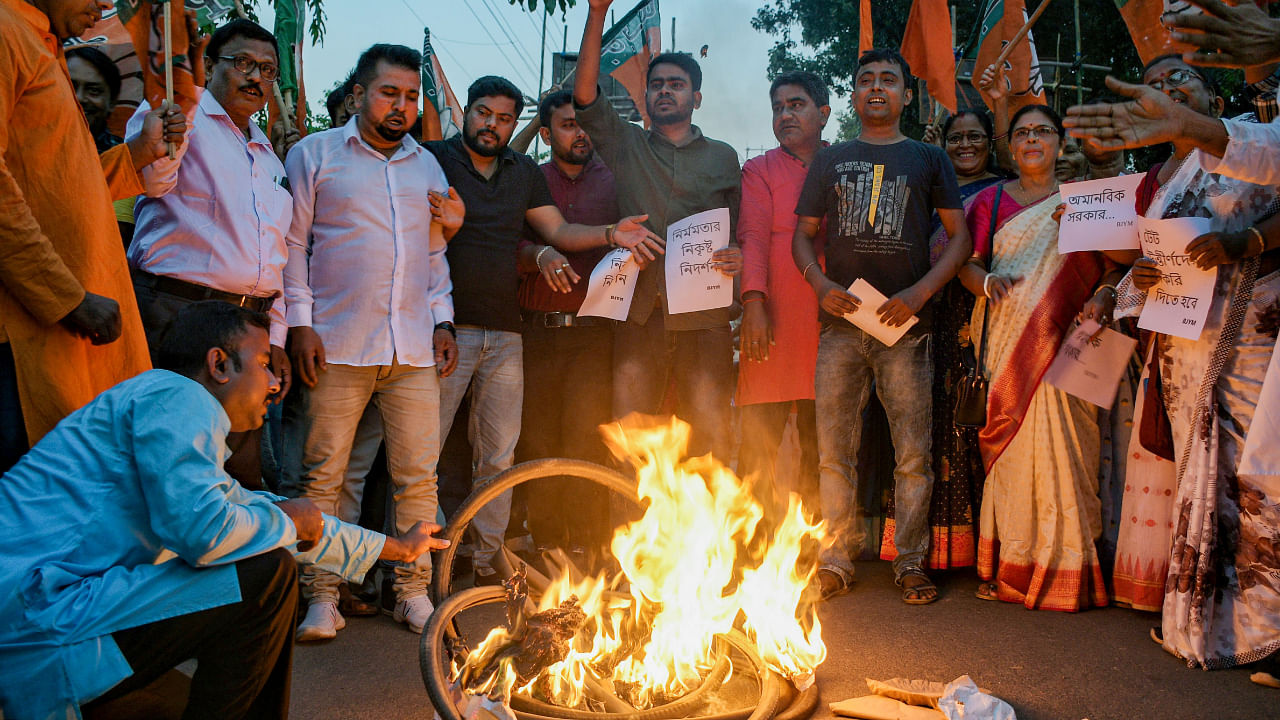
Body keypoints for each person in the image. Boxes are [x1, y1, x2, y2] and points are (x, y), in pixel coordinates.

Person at [0, 301, 450, 720]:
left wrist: (393, 548)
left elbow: (252, 509)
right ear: (218, 364)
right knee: (265, 572)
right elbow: (206, 531)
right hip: (33, 620)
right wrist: (290, 522)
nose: (275, 383)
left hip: (47, 614)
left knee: (263, 554)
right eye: (261, 364)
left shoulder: (161, 405)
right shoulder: (177, 396)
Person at [423, 74, 661, 586]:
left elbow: (557, 230)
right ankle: (417, 565)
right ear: (467, 110)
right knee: (428, 451)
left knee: (504, 455)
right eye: (484, 113)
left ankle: (493, 561)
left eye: (505, 117)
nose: (492, 124)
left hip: (514, 334)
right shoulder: (433, 159)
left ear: (515, 124)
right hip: (453, 327)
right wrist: (538, 254)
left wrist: (608, 233)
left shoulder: (522, 171)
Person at [1108, 54, 1280, 674]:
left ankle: (1270, 629)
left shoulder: (1255, 139)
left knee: (1261, 478)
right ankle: (1208, 618)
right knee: (1199, 478)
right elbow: (1148, 263)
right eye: (1152, 86)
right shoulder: (1167, 184)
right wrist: (1144, 277)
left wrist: (1249, 242)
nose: (1167, 91)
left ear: (1211, 94)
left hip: (1252, 334)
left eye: (1180, 80)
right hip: (1184, 346)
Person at [284, 44, 458, 639]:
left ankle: (412, 593)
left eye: (411, 96)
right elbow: (292, 246)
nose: (401, 106)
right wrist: (299, 323)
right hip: (335, 342)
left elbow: (436, 254)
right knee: (323, 476)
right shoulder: (314, 155)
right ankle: (321, 597)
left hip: (410, 348)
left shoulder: (428, 168)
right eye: (389, 93)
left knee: (418, 476)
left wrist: (444, 321)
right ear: (358, 94)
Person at [792, 49, 973, 605]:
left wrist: (919, 292)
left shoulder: (928, 158)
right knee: (832, 455)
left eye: (888, 80)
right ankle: (836, 561)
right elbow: (802, 236)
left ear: (905, 94)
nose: (877, 88)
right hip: (841, 327)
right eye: (865, 79)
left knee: (912, 454)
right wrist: (820, 285)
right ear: (852, 94)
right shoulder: (830, 159)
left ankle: (911, 562)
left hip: (907, 327)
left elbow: (959, 239)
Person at [0, 0, 184, 474]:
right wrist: (68, 299)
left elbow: (59, 183)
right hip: (27, 332)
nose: (105, 4)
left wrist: (139, 151)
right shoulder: (7, 31)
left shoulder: (42, 44)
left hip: (66, 327)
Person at [955, 104, 1113, 612]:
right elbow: (969, 266)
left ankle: (1070, 568)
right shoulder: (988, 201)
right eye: (1022, 132)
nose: (1031, 140)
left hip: (1075, 339)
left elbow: (1116, 264)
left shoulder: (1084, 200)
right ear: (1009, 144)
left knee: (1071, 451)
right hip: (1005, 341)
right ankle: (1012, 564)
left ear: (1059, 142)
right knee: (1015, 454)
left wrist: (1105, 293)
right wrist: (984, 282)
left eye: (1043, 131)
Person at [574, 0, 744, 462]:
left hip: (705, 320)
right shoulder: (626, 143)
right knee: (629, 441)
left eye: (676, 84)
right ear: (643, 97)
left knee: (707, 440)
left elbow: (740, 231)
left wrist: (738, 256)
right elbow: (585, 97)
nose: (665, 91)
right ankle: (625, 535)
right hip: (639, 313)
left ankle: (708, 536)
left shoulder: (724, 157)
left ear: (696, 97)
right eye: (657, 85)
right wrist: (595, 14)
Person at [127, 18, 293, 488]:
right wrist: (178, 105)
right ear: (210, 64)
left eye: (267, 69)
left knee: (235, 471)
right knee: (166, 462)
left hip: (249, 327)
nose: (255, 77)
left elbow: (273, 256)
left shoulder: (268, 155)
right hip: (177, 313)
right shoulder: (180, 112)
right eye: (242, 62)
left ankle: (226, 560)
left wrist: (275, 339)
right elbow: (150, 178)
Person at [885, 109, 1005, 572]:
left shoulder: (1004, 189)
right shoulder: (929, 189)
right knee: (925, 424)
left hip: (982, 314)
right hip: (926, 310)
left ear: (991, 142)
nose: (966, 145)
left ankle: (984, 542)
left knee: (974, 418)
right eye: (956, 138)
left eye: (976, 136)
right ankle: (926, 547)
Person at [513, 89, 620, 556]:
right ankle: (549, 547)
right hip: (537, 332)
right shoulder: (528, 181)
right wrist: (537, 254)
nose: (580, 133)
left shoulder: (618, 181)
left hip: (596, 334)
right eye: (567, 125)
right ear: (544, 133)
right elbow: (506, 245)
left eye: (584, 124)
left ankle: (591, 548)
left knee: (586, 439)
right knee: (538, 440)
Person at [735, 71, 829, 521]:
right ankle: (752, 545)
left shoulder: (846, 163)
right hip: (772, 313)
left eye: (797, 105)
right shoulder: (759, 169)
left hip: (830, 314)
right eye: (778, 107)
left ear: (824, 113)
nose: (786, 114)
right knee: (759, 439)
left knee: (822, 440)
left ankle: (817, 548)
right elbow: (752, 237)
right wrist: (753, 302)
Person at [66, 45, 140, 248]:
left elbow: (113, 239)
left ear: (111, 102)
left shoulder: (125, 157)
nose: (79, 97)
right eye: (70, 86)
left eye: (93, 90)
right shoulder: (22, 147)